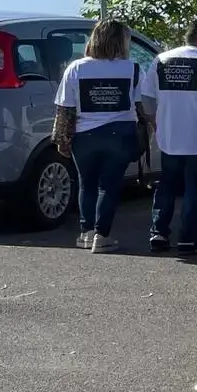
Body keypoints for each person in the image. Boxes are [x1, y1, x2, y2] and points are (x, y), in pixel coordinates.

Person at [51, 18, 148, 254]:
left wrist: (61, 139)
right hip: (120, 133)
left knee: (87, 184)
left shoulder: (76, 68)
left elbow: (65, 108)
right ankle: (102, 235)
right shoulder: (132, 68)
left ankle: (86, 233)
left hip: (85, 135)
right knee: (110, 186)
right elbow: (141, 105)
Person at [142, 18, 197, 255]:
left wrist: (154, 121)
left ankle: (158, 232)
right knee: (195, 187)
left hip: (169, 136)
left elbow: (147, 98)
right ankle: (187, 238)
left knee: (166, 186)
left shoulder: (161, 59)